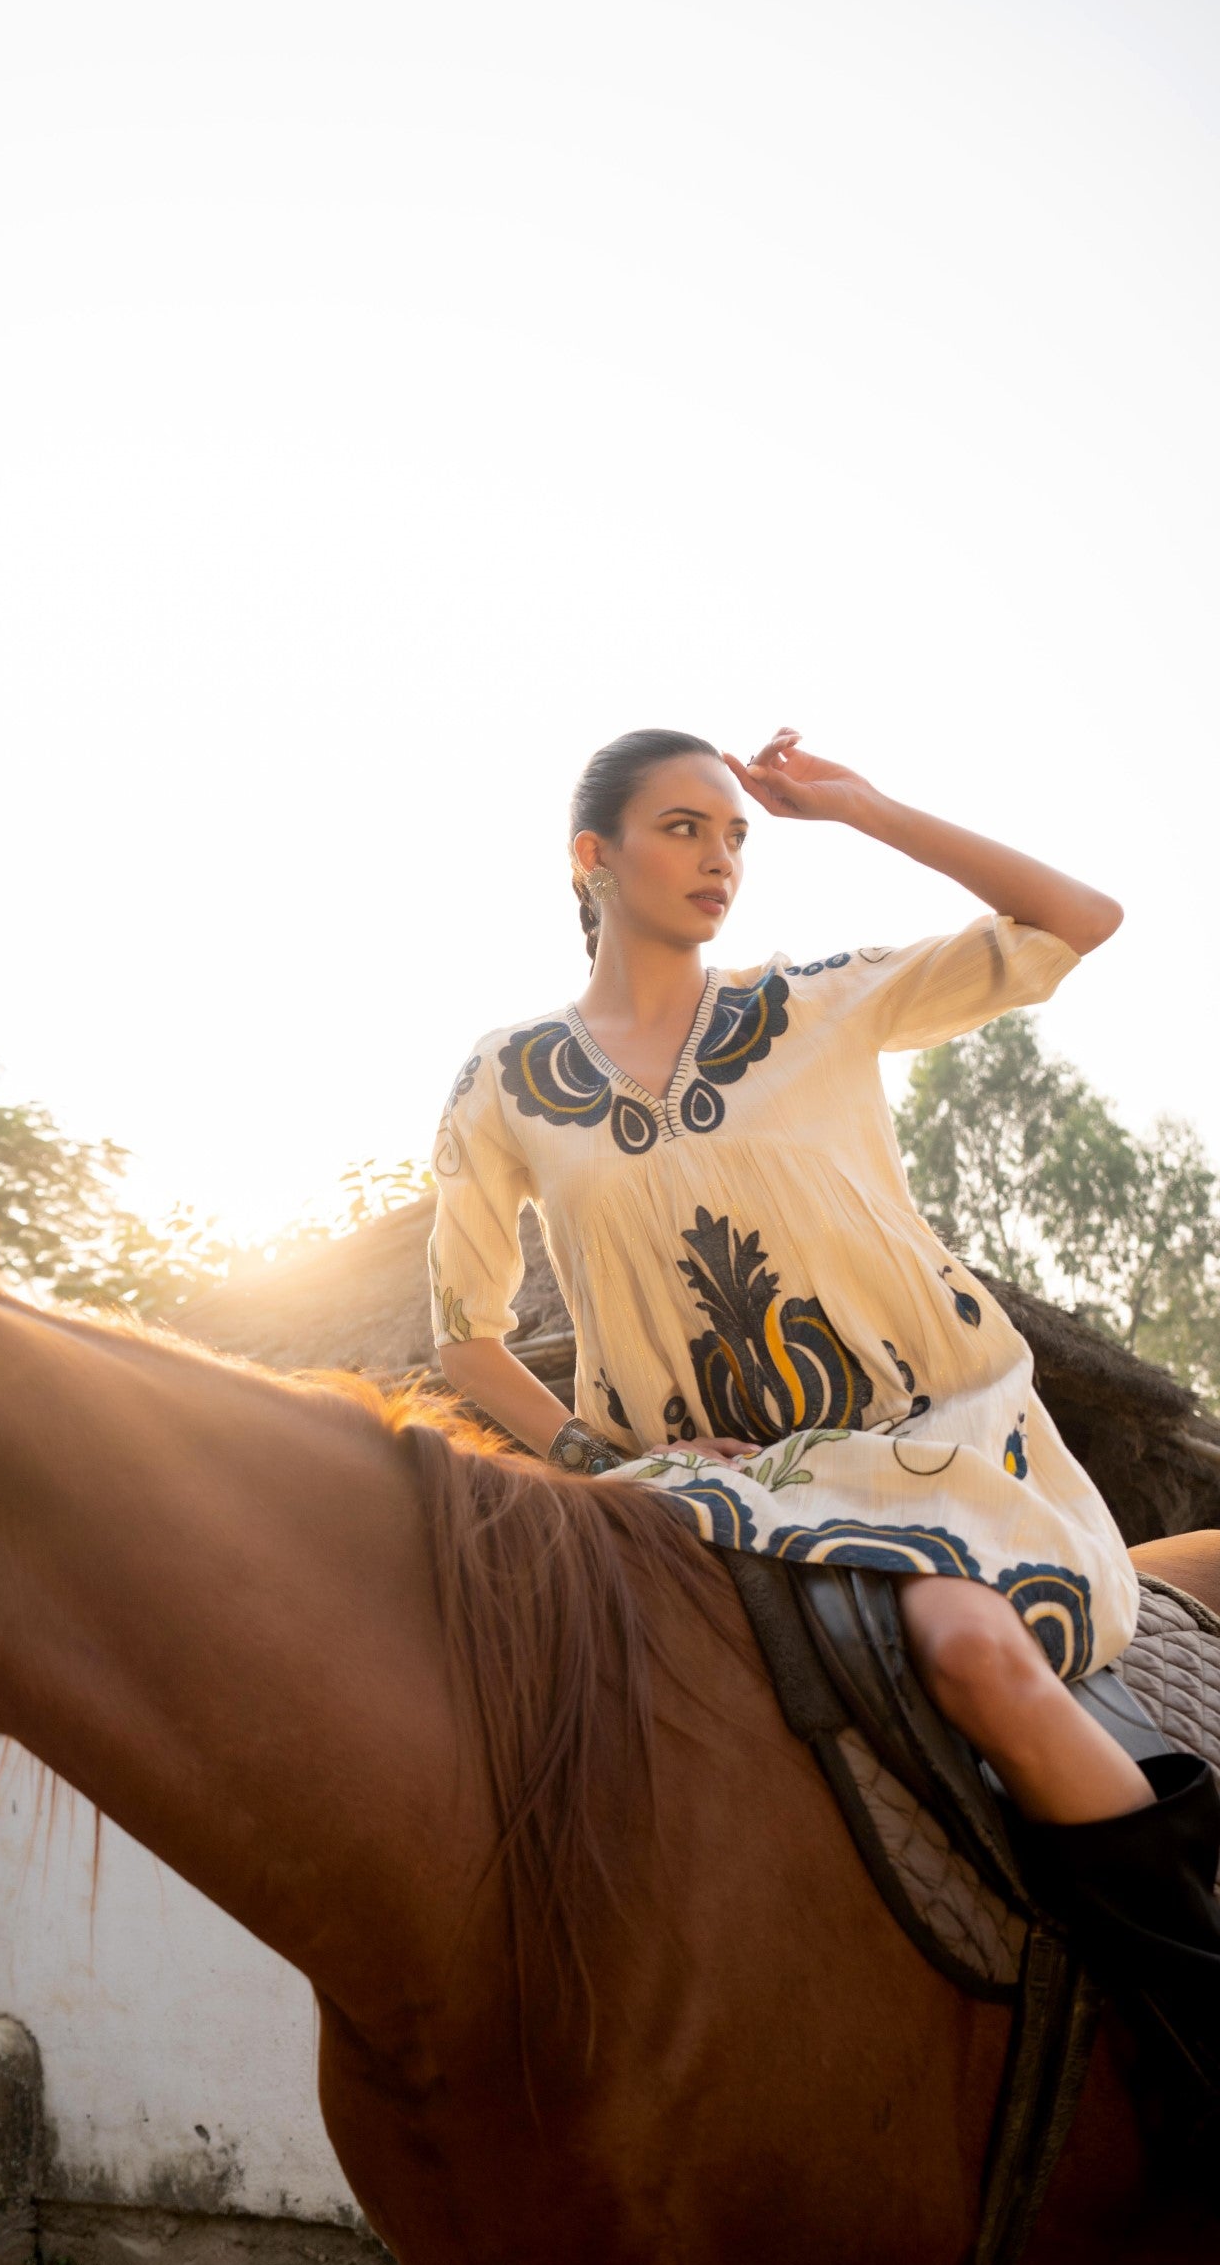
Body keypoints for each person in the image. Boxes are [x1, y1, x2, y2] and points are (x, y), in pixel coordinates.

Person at [430, 724, 1220, 2126]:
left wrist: (857, 808)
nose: (721, 858)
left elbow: (1078, 921)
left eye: (735, 835)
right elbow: (463, 1337)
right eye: (683, 828)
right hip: (692, 1485)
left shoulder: (816, 1004)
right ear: (590, 858)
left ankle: (1202, 2027)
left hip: (935, 1445)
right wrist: (599, 1458)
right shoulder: (505, 1082)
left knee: (970, 1645)